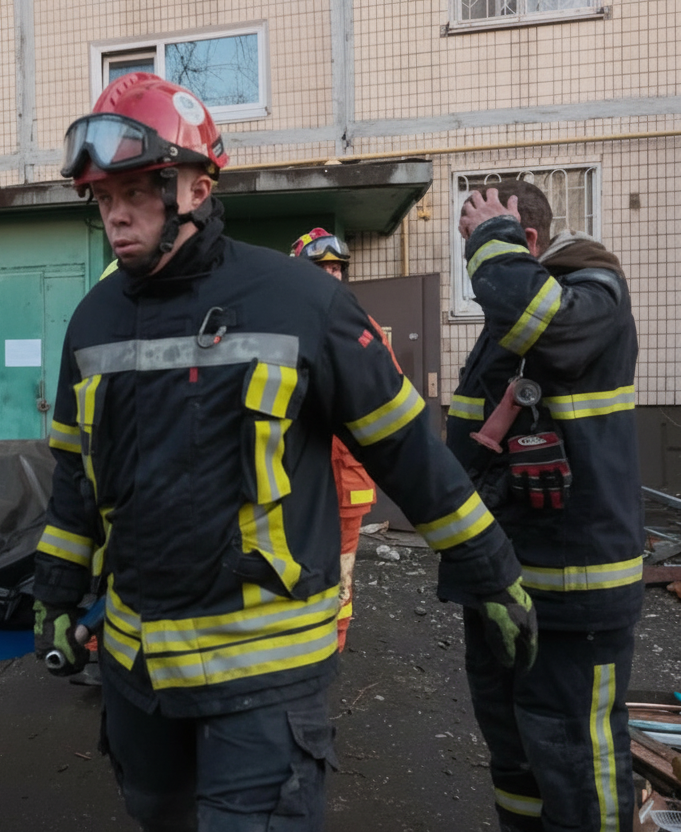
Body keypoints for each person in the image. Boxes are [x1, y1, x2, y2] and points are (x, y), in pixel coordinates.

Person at [32, 71, 538, 832]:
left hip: (265, 682)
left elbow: (407, 452)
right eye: (103, 200)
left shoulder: (304, 302)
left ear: (195, 187)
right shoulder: (94, 321)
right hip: (140, 677)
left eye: (135, 192)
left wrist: (491, 572)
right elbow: (77, 477)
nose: (116, 217)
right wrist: (58, 591)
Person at [451, 180, 643, 832]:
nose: (476, 272)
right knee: (520, 769)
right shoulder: (510, 329)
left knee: (579, 773)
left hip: (573, 601)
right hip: (508, 592)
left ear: (524, 241)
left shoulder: (596, 298)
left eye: (481, 247)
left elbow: (547, 323)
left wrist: (492, 242)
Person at [290, 228, 396, 651]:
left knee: (342, 566)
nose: (332, 276)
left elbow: (389, 394)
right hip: (294, 471)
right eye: (322, 268)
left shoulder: (363, 327)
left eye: (337, 268)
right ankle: (294, 640)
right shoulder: (282, 324)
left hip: (346, 472)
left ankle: (332, 644)